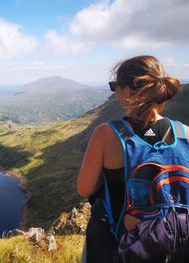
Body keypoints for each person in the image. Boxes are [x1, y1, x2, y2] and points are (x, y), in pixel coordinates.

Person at [76, 55, 189, 263]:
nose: (115, 91)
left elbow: (84, 188)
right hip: (175, 242)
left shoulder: (106, 134)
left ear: (128, 91)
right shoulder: (185, 133)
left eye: (114, 86)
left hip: (125, 243)